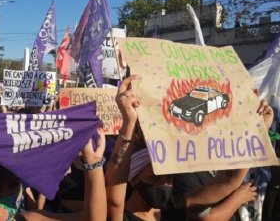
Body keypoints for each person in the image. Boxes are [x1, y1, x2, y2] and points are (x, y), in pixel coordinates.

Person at [106, 75, 271, 221]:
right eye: (155, 177)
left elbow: (228, 180)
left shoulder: (172, 211)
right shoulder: (119, 216)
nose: (165, 183)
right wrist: (128, 123)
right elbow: (114, 198)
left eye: (169, 177)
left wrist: (256, 128)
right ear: (134, 177)